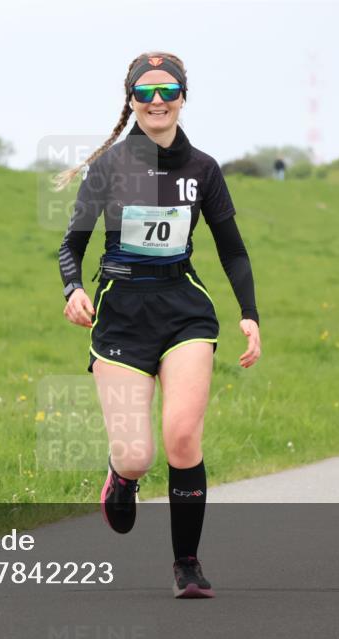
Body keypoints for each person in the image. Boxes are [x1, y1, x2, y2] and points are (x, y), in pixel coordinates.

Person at [54, 52, 261, 599]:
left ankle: (187, 565)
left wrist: (249, 315)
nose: (157, 101)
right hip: (121, 312)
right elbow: (72, 244)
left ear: (183, 97)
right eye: (144, 93)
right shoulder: (109, 168)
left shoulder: (204, 169)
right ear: (131, 102)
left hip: (183, 308)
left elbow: (233, 251)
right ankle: (121, 478)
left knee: (183, 436)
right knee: (138, 454)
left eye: (167, 90)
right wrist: (73, 288)